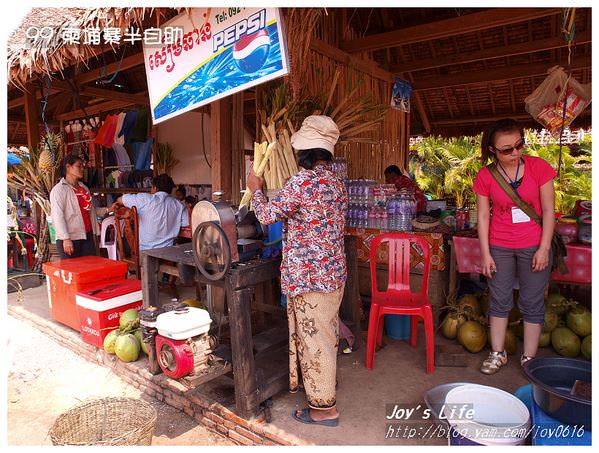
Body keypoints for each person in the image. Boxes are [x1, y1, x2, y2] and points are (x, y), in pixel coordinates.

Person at [247, 115, 347, 427]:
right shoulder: (337, 184)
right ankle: (324, 384)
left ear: (302, 153)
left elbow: (265, 215)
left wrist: (256, 188)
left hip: (310, 278)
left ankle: (324, 409)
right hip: (333, 276)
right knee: (325, 336)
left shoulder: (301, 183)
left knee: (315, 341)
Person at [473, 118, 556, 374]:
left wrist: (543, 248)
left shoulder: (539, 167)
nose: (515, 153)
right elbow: (484, 216)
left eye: (519, 145)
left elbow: (549, 211)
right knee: (499, 300)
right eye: (507, 149)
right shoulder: (486, 176)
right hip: (499, 245)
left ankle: (529, 358)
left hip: (534, 244)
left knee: (532, 302)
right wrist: (485, 254)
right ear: (492, 151)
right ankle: (498, 353)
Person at [114, 174, 189, 251]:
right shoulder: (179, 205)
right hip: (168, 251)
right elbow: (186, 223)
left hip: (145, 251)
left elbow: (120, 199)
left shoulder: (146, 199)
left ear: (155, 188)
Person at [50, 155, 102, 260]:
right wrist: (66, 239)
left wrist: (108, 209)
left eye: (83, 166)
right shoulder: (59, 190)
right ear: (68, 167)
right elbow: (57, 217)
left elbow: (90, 210)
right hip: (70, 238)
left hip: (87, 235)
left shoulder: (84, 188)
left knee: (89, 269)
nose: (82, 169)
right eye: (79, 166)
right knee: (73, 271)